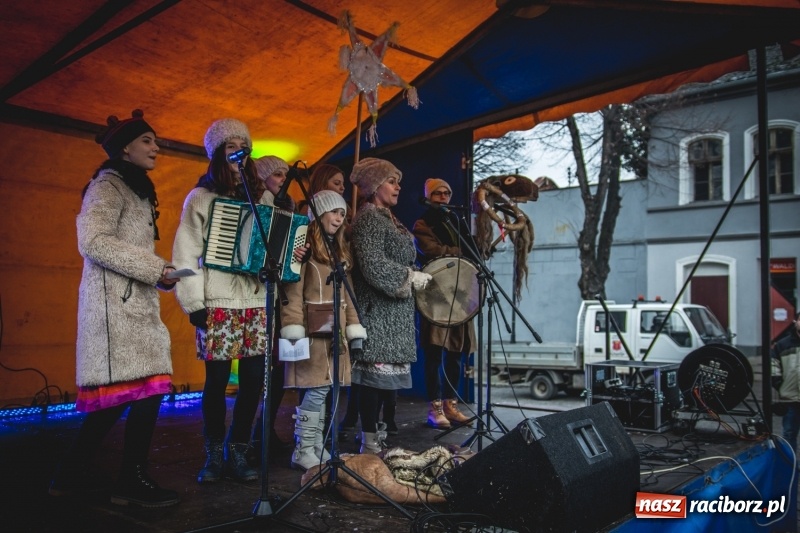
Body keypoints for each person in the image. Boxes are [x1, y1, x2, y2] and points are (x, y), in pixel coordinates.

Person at [49, 110, 180, 508]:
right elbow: (94, 241)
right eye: (147, 140)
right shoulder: (107, 186)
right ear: (125, 146)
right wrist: (155, 268)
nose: (155, 147)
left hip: (132, 302)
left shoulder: (134, 188)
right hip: (113, 306)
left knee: (134, 391)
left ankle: (73, 474)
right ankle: (129, 481)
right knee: (138, 390)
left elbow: (128, 248)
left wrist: (160, 275)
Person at [172, 119, 284, 484]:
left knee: (253, 381)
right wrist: (193, 302)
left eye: (243, 145)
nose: (239, 151)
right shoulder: (201, 197)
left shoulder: (263, 197)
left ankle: (239, 450)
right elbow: (186, 252)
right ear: (218, 153)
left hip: (254, 300)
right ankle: (213, 454)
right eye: (230, 145)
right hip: (216, 298)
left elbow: (273, 247)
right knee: (217, 381)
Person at [348, 157, 431, 453]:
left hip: (393, 312)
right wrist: (409, 277)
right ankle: (368, 438)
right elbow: (372, 265)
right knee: (372, 378)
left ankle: (378, 433)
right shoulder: (369, 219)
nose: (398, 187)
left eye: (398, 181)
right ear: (374, 186)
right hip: (377, 311)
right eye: (391, 181)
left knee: (385, 382)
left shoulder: (388, 218)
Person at [280, 190, 367, 470]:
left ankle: (316, 446)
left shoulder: (339, 253)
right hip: (312, 332)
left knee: (327, 389)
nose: (340, 218)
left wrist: (354, 326)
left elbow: (349, 295)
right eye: (334, 212)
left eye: (343, 213)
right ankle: (303, 448)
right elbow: (292, 293)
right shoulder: (304, 252)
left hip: (336, 333)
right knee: (316, 390)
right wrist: (292, 326)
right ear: (318, 214)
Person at [412, 178, 475, 429]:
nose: (443, 197)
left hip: (459, 295)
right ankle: (434, 408)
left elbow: (472, 250)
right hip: (436, 296)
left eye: (447, 193)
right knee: (435, 353)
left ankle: (451, 404)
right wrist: (460, 251)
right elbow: (433, 251)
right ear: (428, 196)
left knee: (456, 354)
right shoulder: (422, 223)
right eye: (437, 193)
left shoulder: (457, 221)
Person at [771, 310, 800, 452]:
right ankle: (790, 467)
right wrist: (779, 384)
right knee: (789, 434)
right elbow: (773, 365)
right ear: (795, 321)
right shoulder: (782, 345)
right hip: (790, 400)